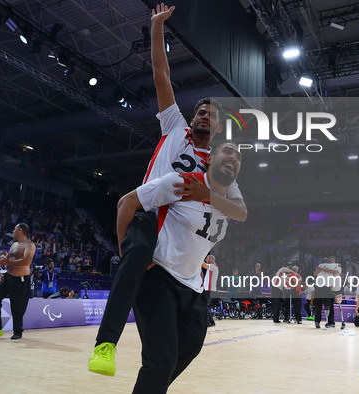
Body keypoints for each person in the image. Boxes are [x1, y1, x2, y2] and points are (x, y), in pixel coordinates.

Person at [90, 2, 247, 373]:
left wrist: (207, 196)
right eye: (201, 111)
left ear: (221, 129)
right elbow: (161, 73)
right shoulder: (175, 127)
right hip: (147, 215)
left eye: (211, 114)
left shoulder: (221, 166)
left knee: (178, 353)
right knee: (139, 252)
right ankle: (105, 345)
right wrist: (158, 26)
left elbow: (239, 212)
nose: (203, 115)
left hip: (182, 245)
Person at [89, 142, 242, 392]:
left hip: (193, 285)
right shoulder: (181, 182)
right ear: (210, 157)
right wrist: (125, 249)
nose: (233, 158)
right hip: (159, 276)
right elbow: (126, 203)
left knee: (189, 348)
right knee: (161, 361)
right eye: (228, 152)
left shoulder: (230, 202)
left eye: (238, 157)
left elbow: (240, 215)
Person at [0, 223, 35, 340]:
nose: (13, 231)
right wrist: (3, 261)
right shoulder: (14, 244)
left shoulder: (29, 245)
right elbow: (10, 260)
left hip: (20, 280)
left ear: (20, 230)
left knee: (17, 307)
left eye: (15, 229)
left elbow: (26, 261)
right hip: (8, 278)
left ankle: (18, 331)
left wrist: (8, 262)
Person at [313, 257, 341, 329]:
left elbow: (335, 272)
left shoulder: (337, 267)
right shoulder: (324, 266)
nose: (331, 261)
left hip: (334, 289)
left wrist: (321, 269)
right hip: (326, 288)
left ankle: (329, 322)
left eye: (333, 260)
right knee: (325, 305)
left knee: (327, 306)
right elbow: (315, 273)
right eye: (330, 260)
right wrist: (320, 269)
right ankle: (322, 321)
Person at [201, 254, 219, 327]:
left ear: (211, 259)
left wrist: (198, 259)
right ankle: (211, 322)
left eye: (207, 258)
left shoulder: (214, 266)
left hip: (210, 290)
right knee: (205, 306)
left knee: (205, 306)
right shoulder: (211, 267)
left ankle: (209, 322)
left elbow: (203, 265)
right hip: (207, 290)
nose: (205, 259)